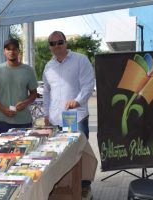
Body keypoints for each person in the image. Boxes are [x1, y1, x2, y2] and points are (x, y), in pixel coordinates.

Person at [42, 31, 95, 197]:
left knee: (79, 153)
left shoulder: (81, 60)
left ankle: (84, 186)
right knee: (58, 156)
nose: (56, 46)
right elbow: (46, 92)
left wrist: (77, 101)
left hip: (75, 117)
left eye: (59, 42)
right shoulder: (49, 66)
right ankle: (65, 188)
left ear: (66, 43)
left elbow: (88, 85)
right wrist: (46, 113)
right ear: (50, 47)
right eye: (52, 43)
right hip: (56, 119)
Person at [0, 38, 38, 135]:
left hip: (24, 121)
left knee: (25, 150)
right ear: (4, 52)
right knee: (2, 150)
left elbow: (34, 93)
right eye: (8, 49)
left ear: (19, 51)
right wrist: (3, 109)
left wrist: (25, 103)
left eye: (14, 49)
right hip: (2, 121)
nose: (11, 51)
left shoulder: (28, 70)